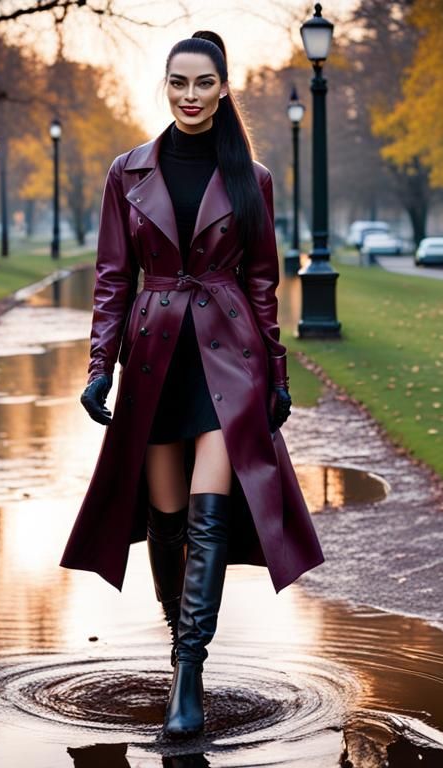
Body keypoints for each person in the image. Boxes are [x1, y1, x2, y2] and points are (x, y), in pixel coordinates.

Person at [59, 31, 324, 740]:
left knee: (209, 514)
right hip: (152, 357)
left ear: (224, 87)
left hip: (226, 357)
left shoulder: (252, 177)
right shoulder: (127, 171)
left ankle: (186, 674)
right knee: (166, 520)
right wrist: (97, 367)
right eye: (179, 82)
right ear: (166, 86)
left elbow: (263, 282)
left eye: (204, 83)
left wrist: (275, 371)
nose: (190, 95)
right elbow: (114, 278)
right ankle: (186, 655)